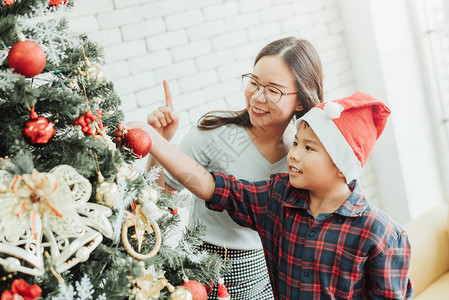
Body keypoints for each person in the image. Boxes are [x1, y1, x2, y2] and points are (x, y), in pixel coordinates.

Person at [129, 91, 414, 299]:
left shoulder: (380, 234)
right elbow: (210, 185)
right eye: (297, 143)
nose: (294, 154)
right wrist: (155, 140)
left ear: (342, 166)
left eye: (309, 148)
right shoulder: (279, 199)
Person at [146, 37, 323, 299]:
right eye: (254, 82)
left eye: (273, 90)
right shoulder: (216, 136)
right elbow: (153, 196)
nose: (257, 97)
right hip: (204, 273)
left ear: (301, 100)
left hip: (269, 275)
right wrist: (159, 144)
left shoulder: (303, 153)